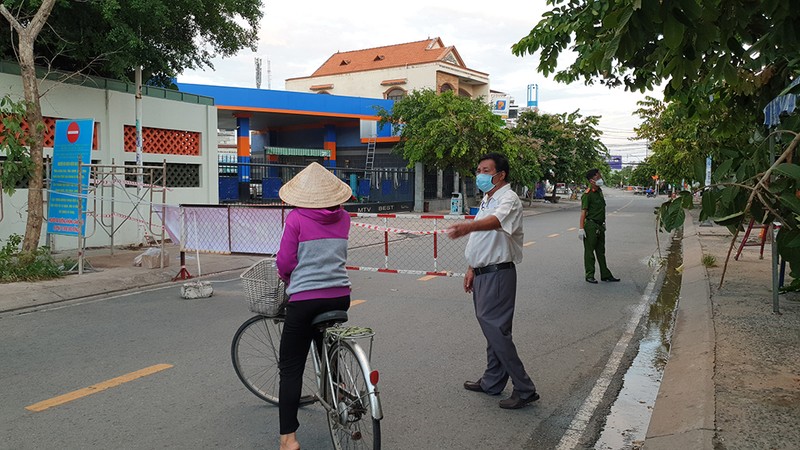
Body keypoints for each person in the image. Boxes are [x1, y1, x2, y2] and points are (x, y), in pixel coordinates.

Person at [446, 152, 540, 410]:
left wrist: (466, 227)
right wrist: (471, 268)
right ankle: (492, 380)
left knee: (496, 331)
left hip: (499, 273)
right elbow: (483, 241)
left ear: (500, 175)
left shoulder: (508, 199)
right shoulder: (488, 199)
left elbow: (495, 224)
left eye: (485, 170)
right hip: (484, 272)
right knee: (493, 331)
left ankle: (524, 388)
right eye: (478, 169)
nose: (480, 174)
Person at [275, 162, 353, 450]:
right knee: (326, 345)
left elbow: (285, 262)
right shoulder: (344, 218)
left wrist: (286, 278)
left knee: (291, 367)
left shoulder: (295, 219)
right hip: (339, 295)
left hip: (306, 299)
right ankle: (342, 394)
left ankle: (289, 440)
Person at [578, 168, 620, 284]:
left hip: (600, 226)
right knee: (589, 252)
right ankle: (589, 275)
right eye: (598, 177)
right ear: (591, 181)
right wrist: (581, 228)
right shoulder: (587, 195)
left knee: (601, 251)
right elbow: (583, 212)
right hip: (591, 225)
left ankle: (605, 274)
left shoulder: (600, 192)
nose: (600, 178)